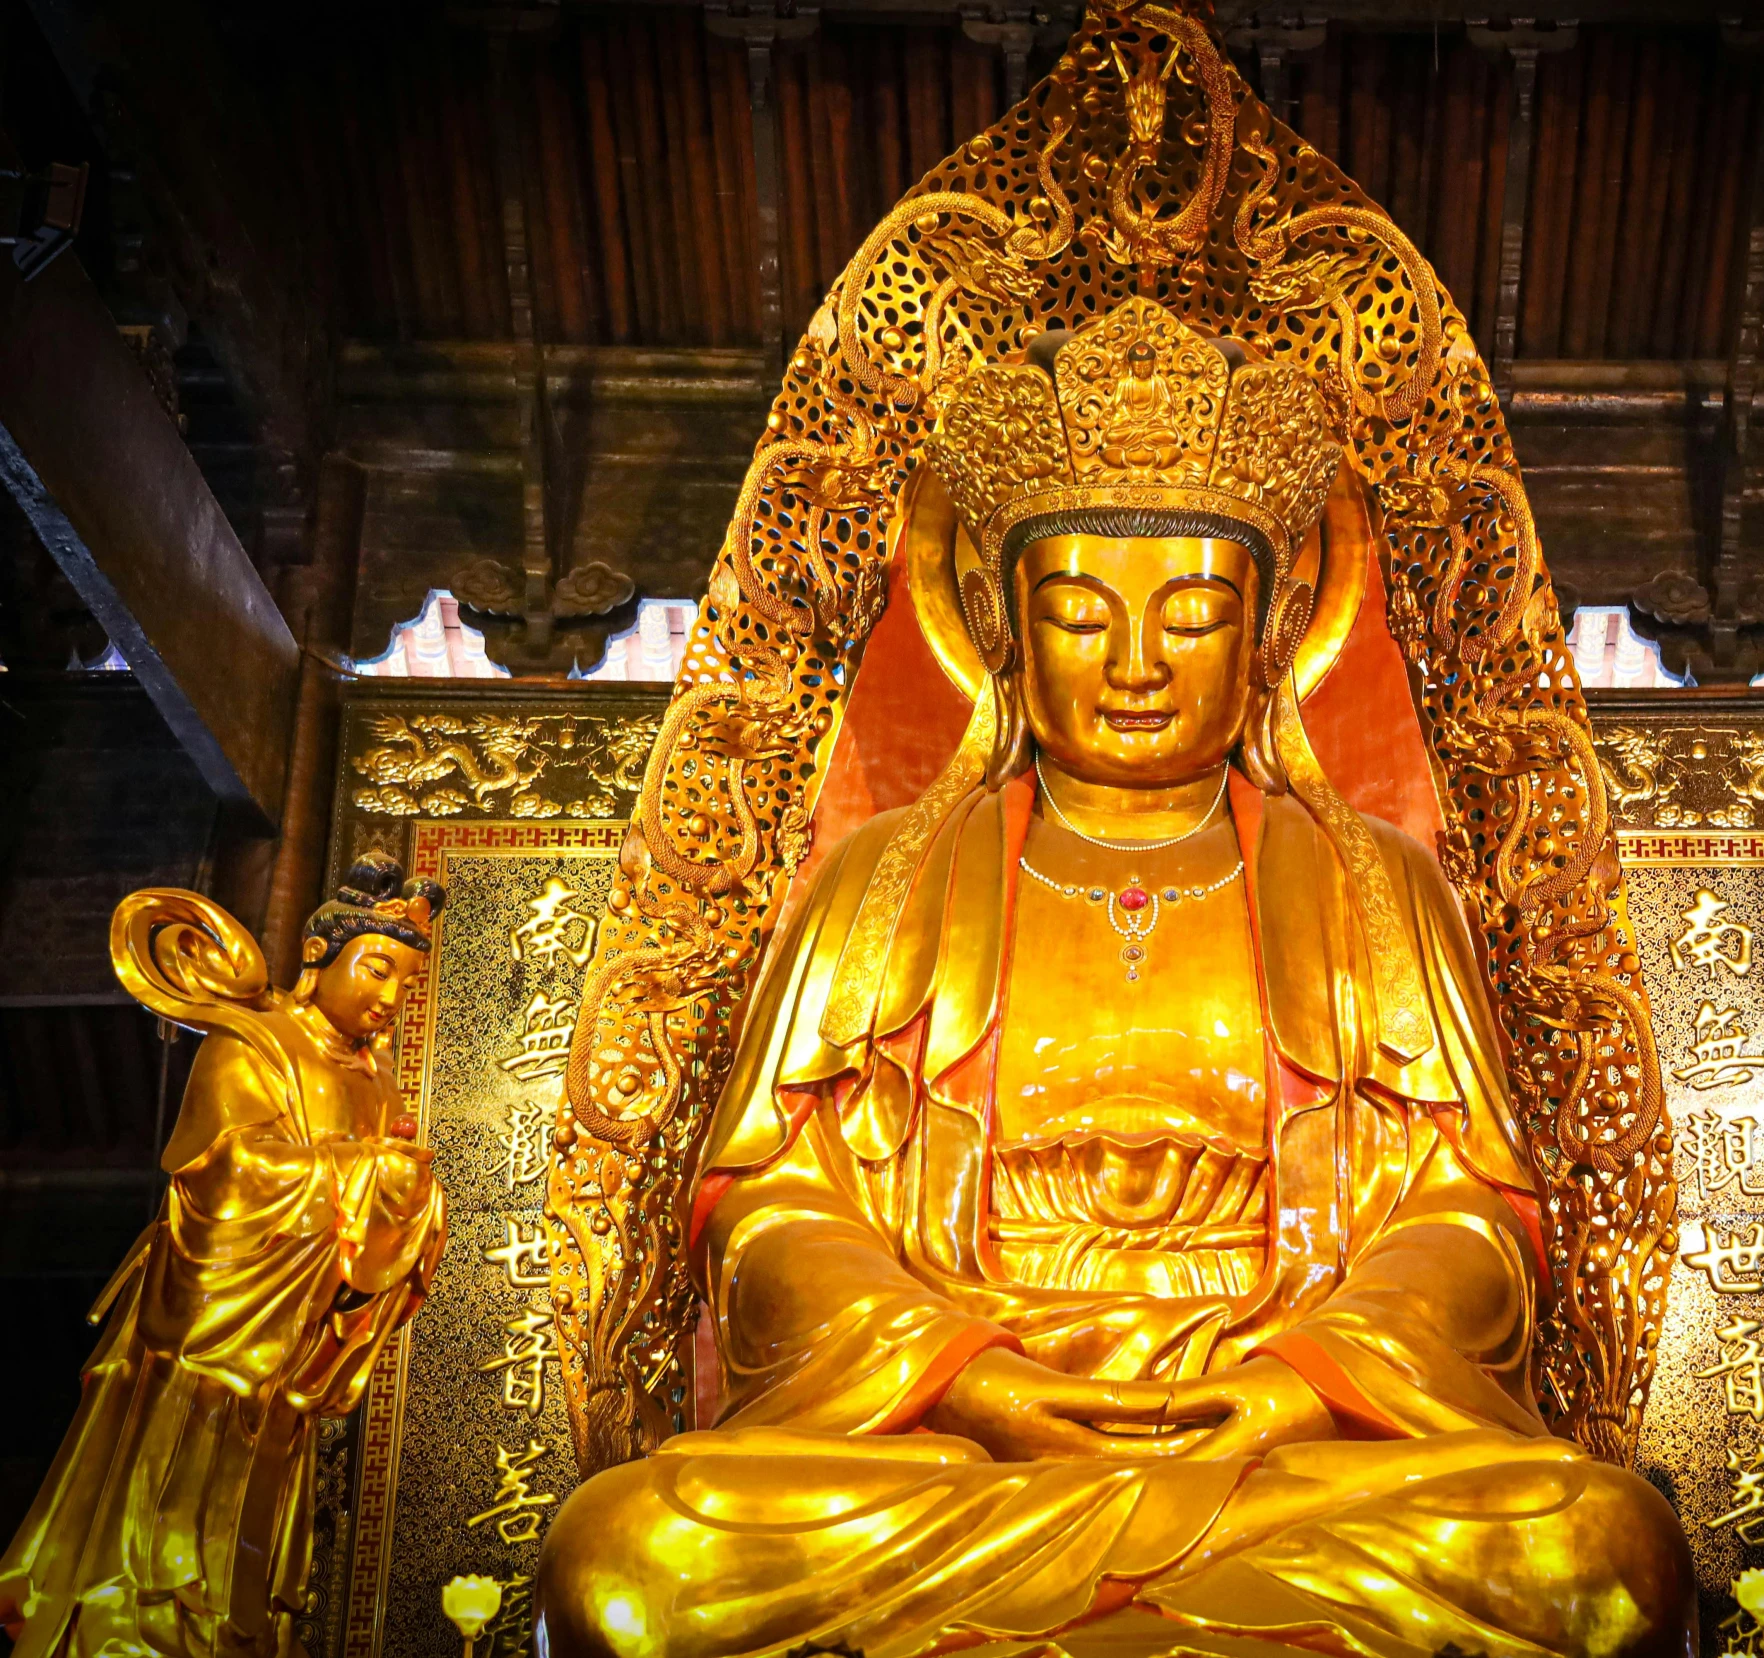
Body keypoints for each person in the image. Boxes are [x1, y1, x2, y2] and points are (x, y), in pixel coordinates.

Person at [534, 299, 1694, 1658]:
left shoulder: (1379, 885)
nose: (1137, 663)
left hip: (1282, 1440)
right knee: (629, 1551)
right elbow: (773, 1212)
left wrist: (1301, 1385)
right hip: (962, 1452)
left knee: (1598, 1550)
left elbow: (1470, 1222)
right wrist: (969, 1380)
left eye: (1191, 615)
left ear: (1263, 633)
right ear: (1002, 625)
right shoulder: (879, 884)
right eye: (1080, 613)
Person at [0, 855, 447, 1658]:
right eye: (376, 970)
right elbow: (225, 1177)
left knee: (256, 1522)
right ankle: (132, 1621)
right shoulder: (257, 1041)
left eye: (405, 987)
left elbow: (367, 1232)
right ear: (320, 957)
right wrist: (361, 1172)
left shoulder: (375, 1081)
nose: (388, 1000)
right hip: (213, 1333)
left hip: (287, 1348)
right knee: (167, 1506)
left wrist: (408, 1205)